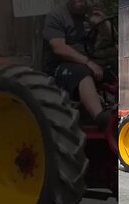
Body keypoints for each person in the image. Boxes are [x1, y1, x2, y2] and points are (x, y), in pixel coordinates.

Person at [43, 0, 114, 131]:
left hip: (91, 63)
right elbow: (58, 48)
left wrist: (102, 24)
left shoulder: (92, 14)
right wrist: (88, 63)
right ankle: (102, 119)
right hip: (62, 66)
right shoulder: (57, 15)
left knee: (116, 70)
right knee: (81, 72)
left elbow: (111, 40)